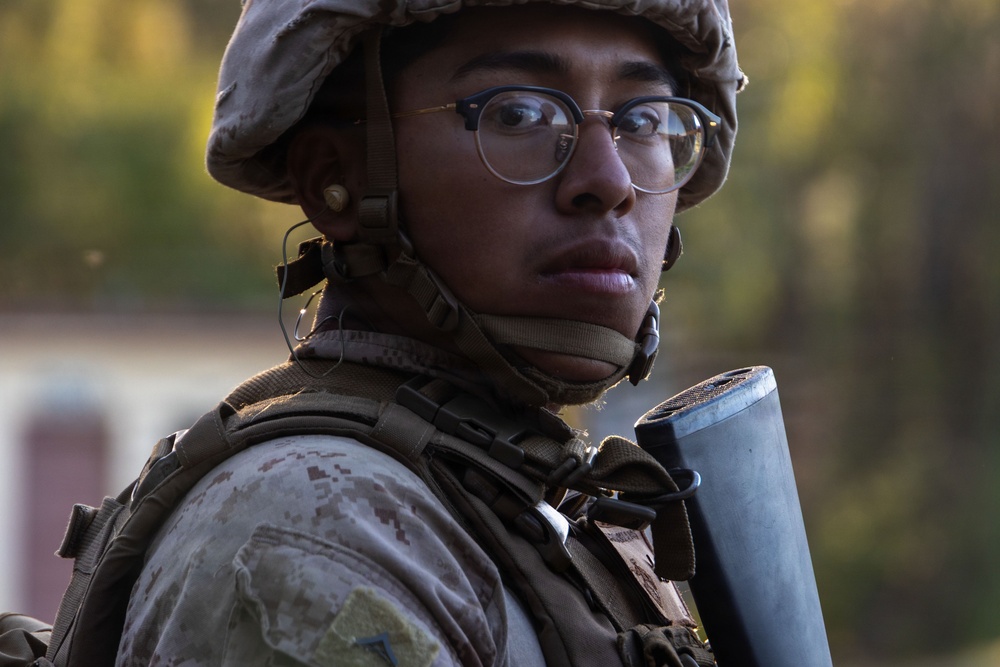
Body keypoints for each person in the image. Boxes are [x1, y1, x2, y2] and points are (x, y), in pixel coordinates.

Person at [109, 1, 745, 665]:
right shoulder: (320, 527)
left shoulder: (506, 503)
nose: (609, 182)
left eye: (642, 121)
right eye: (517, 114)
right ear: (335, 177)